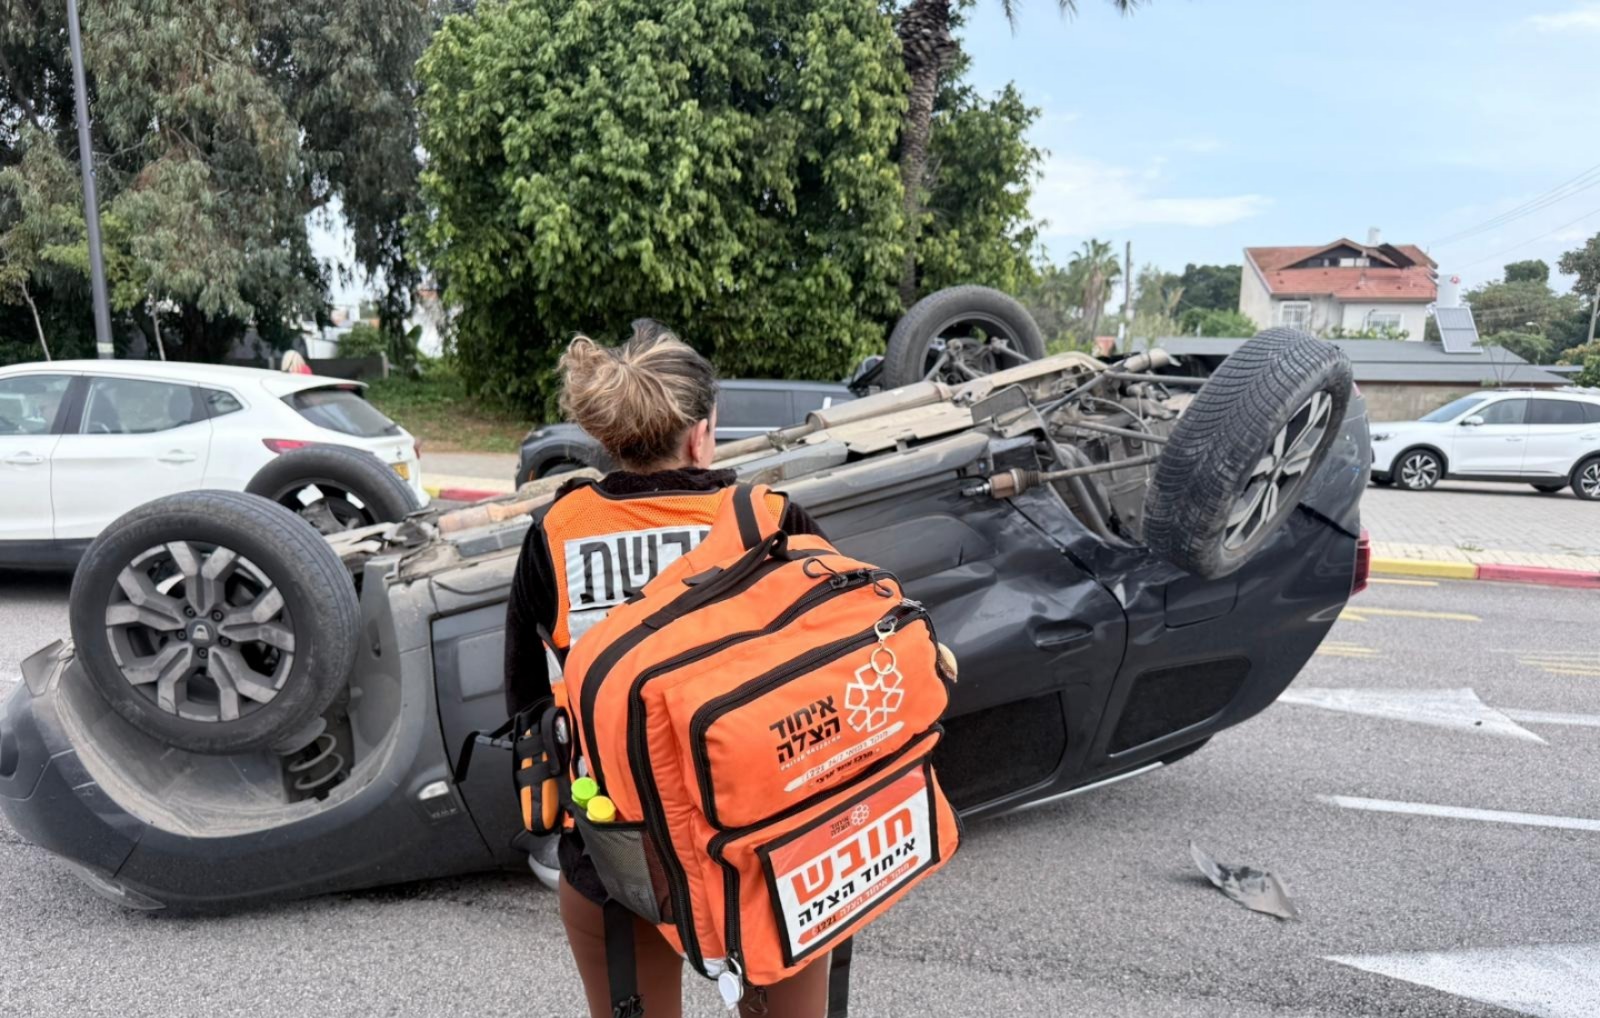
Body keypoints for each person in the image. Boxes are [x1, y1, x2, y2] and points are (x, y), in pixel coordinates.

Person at [503, 320, 833, 1018]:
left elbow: (526, 698)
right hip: (764, 843)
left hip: (618, 850)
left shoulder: (556, 534)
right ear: (701, 431)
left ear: (611, 435)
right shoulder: (769, 519)